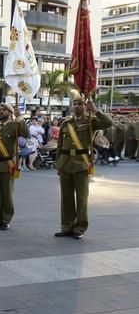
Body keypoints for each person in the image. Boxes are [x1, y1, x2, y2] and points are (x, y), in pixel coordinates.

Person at [55, 93, 113, 240]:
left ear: (85, 106)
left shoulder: (91, 121)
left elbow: (108, 123)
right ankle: (67, 226)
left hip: (81, 163)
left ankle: (80, 227)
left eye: (80, 103)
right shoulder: (66, 123)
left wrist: (95, 110)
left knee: (81, 199)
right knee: (66, 198)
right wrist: (58, 163)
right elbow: (60, 145)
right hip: (65, 163)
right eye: (74, 103)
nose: (76, 106)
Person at [0, 103, 30, 230]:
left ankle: (6, 219)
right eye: (0, 110)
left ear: (10, 113)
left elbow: (26, 133)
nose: (1, 112)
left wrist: (20, 117)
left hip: (7, 164)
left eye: (4, 110)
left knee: (7, 194)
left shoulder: (15, 126)